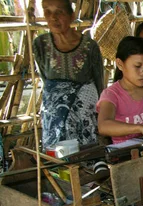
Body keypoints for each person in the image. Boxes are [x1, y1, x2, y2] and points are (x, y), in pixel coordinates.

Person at [33, 0, 104, 150]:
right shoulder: (40, 45)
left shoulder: (89, 47)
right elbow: (46, 82)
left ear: (72, 16)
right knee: (58, 160)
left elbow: (99, 83)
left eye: (59, 12)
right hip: (55, 117)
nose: (53, 17)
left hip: (83, 116)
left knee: (84, 157)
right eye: (47, 12)